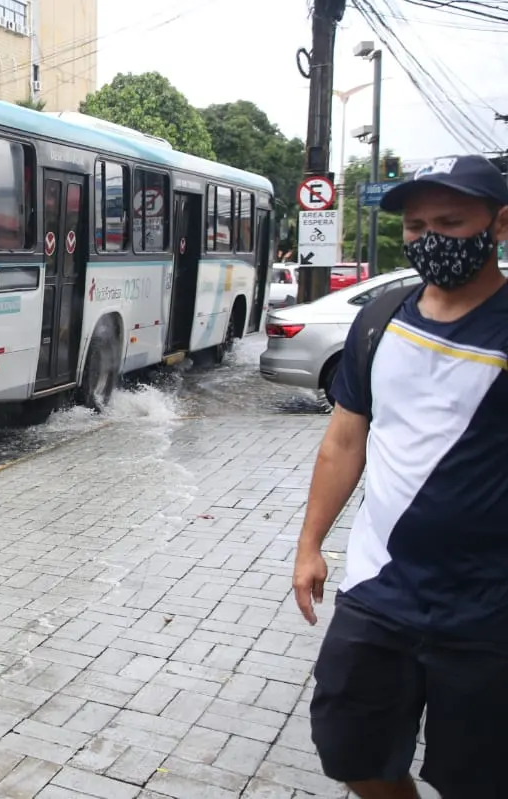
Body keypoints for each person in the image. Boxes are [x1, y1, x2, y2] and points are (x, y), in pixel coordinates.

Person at [292, 154, 508, 798]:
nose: (430, 238)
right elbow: (343, 440)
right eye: (415, 226)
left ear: (500, 224)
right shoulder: (381, 318)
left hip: (488, 609)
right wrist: (310, 545)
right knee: (349, 749)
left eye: (450, 220)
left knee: (479, 777)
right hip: (378, 590)